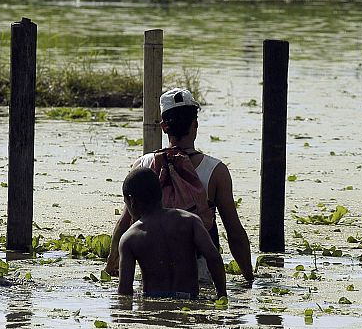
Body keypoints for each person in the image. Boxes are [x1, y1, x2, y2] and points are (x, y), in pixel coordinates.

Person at [106, 87, 255, 283]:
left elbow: (126, 221)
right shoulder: (216, 171)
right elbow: (234, 232)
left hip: (151, 270)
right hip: (199, 272)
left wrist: (111, 262)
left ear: (163, 127)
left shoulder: (142, 166)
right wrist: (249, 278)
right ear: (195, 124)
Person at [117, 167, 227, 300]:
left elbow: (124, 292)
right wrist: (221, 294)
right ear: (161, 193)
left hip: (152, 305)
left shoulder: (130, 237)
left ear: (132, 201)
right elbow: (213, 258)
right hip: (190, 299)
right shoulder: (190, 221)